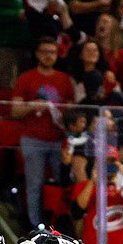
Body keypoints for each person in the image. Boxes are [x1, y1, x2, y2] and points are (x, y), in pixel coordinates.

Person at [13, 37, 76, 229]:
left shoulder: (64, 80)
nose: (49, 56)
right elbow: (14, 111)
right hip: (33, 138)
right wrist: (32, 106)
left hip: (58, 139)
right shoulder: (26, 78)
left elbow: (72, 112)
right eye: (45, 52)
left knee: (64, 183)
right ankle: (35, 225)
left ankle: (63, 223)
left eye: (52, 52)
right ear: (38, 54)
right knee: (35, 184)